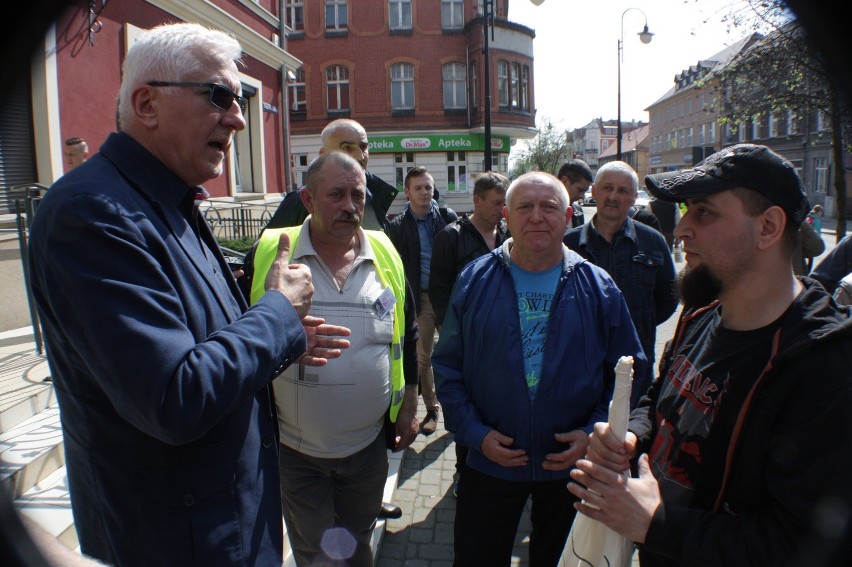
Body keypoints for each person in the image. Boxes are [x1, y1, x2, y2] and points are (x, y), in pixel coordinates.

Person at [26, 23, 351, 567]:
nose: (239, 117)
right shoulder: (93, 213)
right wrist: (277, 314)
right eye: (219, 96)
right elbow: (174, 398)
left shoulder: (169, 200)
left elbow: (202, 343)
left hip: (229, 524)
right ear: (147, 103)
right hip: (178, 540)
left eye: (242, 99)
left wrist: (284, 334)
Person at [569, 143, 852, 567]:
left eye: (704, 212)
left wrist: (655, 523)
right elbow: (662, 395)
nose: (681, 229)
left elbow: (801, 543)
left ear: (768, 227)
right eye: (686, 210)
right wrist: (632, 437)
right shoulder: (702, 316)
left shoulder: (826, 368)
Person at [433, 171, 646, 566]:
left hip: (570, 467)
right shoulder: (473, 280)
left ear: (568, 216)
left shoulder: (598, 287)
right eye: (524, 207)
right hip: (490, 462)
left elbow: (629, 376)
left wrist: (591, 434)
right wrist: (475, 434)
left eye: (548, 207)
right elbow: (447, 367)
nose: (536, 217)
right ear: (506, 216)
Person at [248, 151, 420, 566]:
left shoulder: (384, 251)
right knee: (318, 552)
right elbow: (237, 334)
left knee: (357, 540)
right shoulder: (273, 253)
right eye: (336, 195)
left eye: (357, 196)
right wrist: (282, 334)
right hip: (297, 452)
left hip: (367, 450)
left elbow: (407, 330)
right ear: (307, 199)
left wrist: (410, 399)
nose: (349, 206)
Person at [564, 161, 678, 404]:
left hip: (636, 369)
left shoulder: (652, 242)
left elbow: (669, 298)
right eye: (607, 188)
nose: (613, 196)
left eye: (623, 191)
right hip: (580, 369)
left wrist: (637, 323)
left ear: (635, 197)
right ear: (594, 192)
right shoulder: (568, 245)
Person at [428, 170, 510, 495]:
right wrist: (451, 334)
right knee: (466, 408)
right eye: (495, 203)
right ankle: (464, 472)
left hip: (502, 341)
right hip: (464, 342)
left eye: (505, 204)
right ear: (476, 200)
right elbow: (438, 289)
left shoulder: (507, 234)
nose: (501, 210)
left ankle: (495, 466)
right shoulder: (451, 236)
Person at [386, 166, 458, 435]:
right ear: (407, 192)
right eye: (418, 187)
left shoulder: (447, 216)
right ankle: (432, 408)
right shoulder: (398, 226)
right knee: (423, 359)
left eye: (428, 187)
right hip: (420, 300)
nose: (425, 192)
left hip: (448, 297)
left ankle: (458, 406)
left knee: (455, 353)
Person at [266, 118, 398, 231]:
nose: (360, 156)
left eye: (363, 147)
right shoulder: (301, 201)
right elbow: (264, 252)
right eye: (347, 148)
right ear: (324, 154)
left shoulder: (375, 197)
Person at [557, 158, 593, 228]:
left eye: (584, 191)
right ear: (564, 182)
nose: (582, 197)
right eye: (580, 190)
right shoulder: (541, 211)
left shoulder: (578, 212)